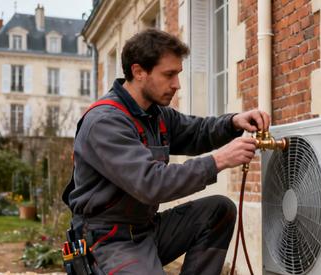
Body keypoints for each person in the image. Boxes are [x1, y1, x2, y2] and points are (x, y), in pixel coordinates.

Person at [62, 29, 270, 274]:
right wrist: (220, 159)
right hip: (108, 240)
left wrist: (233, 122)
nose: (177, 85)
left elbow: (197, 132)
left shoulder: (155, 115)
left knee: (219, 210)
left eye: (178, 74)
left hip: (146, 229)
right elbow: (152, 183)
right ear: (139, 72)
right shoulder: (105, 122)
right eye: (169, 74)